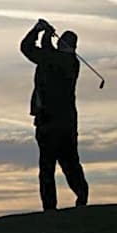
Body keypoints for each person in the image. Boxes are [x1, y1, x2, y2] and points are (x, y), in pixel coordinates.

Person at [20, 18, 89, 211]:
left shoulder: (65, 62)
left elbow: (34, 49)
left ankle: (74, 198)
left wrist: (43, 32)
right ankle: (70, 200)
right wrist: (41, 32)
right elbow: (27, 48)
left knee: (60, 166)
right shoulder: (61, 60)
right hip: (59, 123)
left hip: (53, 124)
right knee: (60, 166)